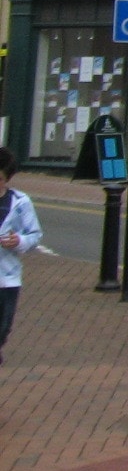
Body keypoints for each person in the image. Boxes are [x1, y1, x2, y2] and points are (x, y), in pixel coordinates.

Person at [0, 149, 44, 368]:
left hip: (7, 277)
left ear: (7, 178)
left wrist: (18, 241)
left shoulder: (20, 202)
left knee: (4, 326)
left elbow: (35, 235)